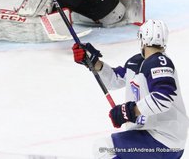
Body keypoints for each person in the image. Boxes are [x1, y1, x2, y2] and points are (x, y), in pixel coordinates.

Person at [72, 19, 188, 158]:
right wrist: (94, 62)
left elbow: (162, 99)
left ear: (142, 39)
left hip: (163, 140)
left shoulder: (158, 62)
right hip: (154, 138)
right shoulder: (138, 62)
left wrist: (129, 111)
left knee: (103, 148)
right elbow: (115, 79)